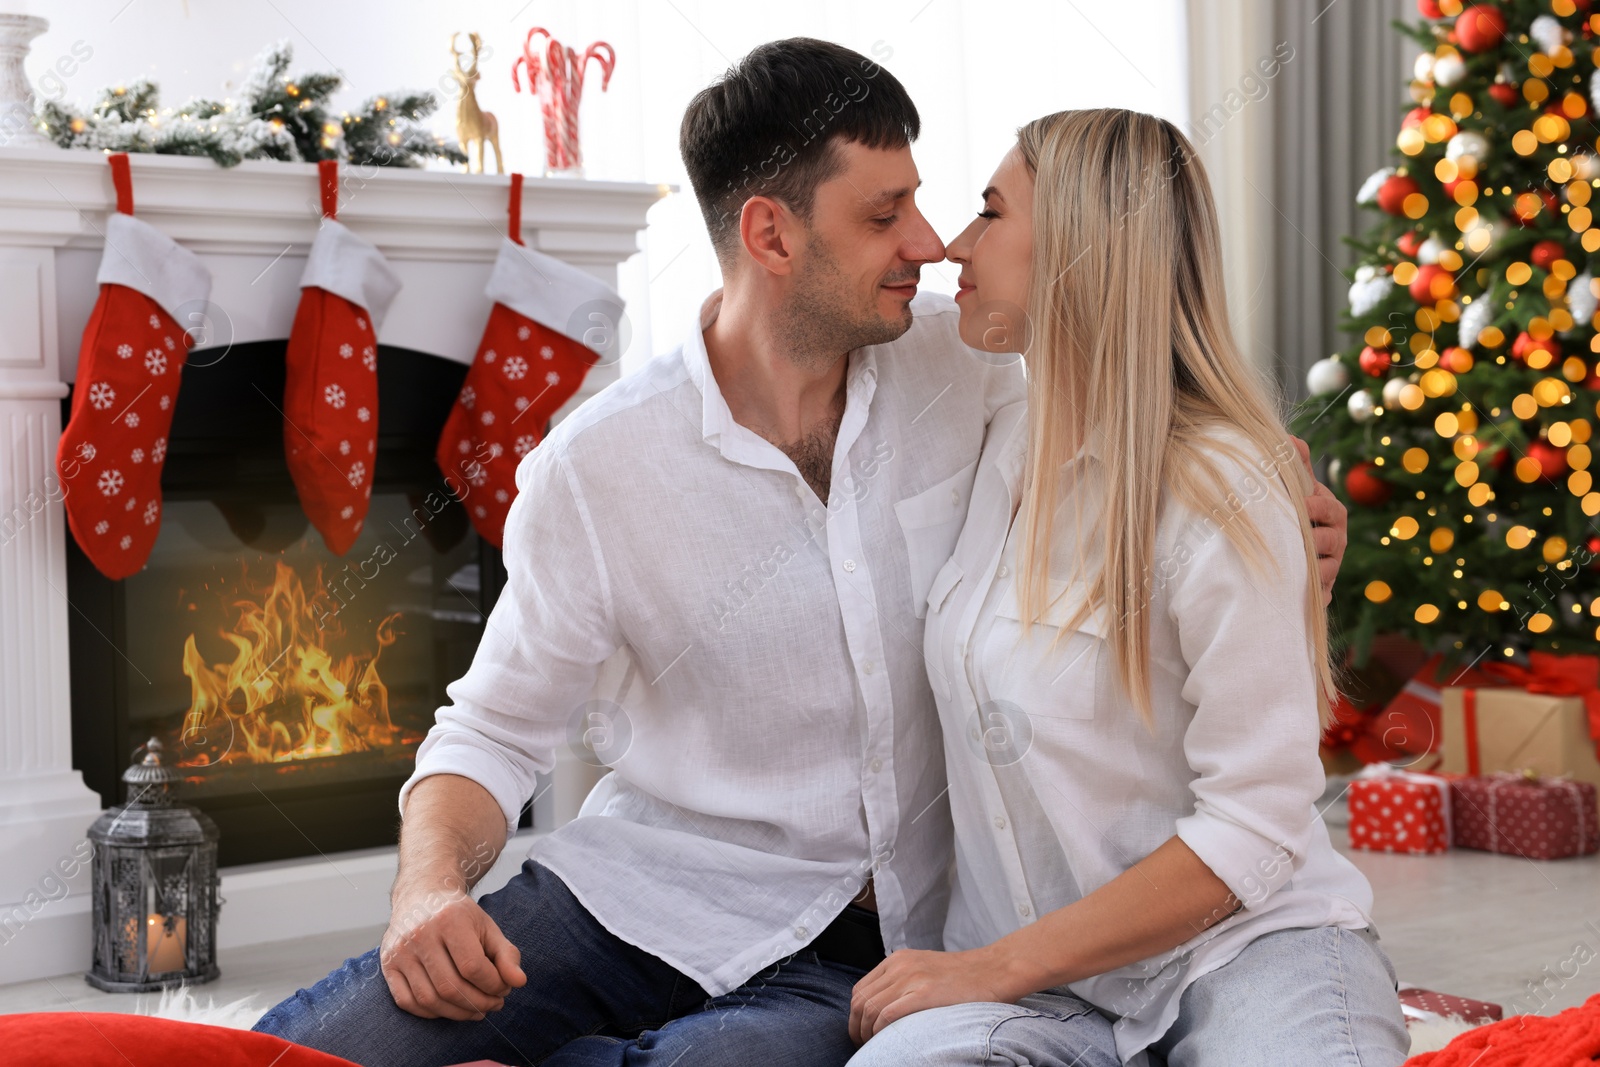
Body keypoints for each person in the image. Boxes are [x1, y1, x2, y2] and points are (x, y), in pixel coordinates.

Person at [254, 45, 1350, 1067]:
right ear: (771, 236)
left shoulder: (969, 370)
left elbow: (1139, 412)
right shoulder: (600, 466)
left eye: (934, 203)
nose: (928, 244)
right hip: (641, 890)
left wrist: (1277, 530)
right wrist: (425, 891)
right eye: (887, 214)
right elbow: (492, 726)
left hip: (865, 947)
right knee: (330, 1041)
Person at [842, 109, 1406, 1067]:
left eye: (988, 213)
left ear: (1080, 248)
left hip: (1246, 949)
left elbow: (1254, 829)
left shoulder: (1221, 487)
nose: (950, 247)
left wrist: (990, 967)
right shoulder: (996, 440)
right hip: (1045, 991)